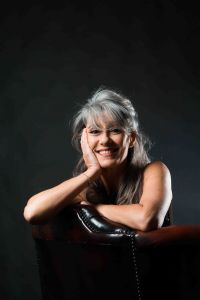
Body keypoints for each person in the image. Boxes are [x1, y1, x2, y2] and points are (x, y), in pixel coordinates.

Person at [23, 87, 172, 231]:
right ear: (84, 140)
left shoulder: (154, 171)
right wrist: (91, 172)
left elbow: (147, 219)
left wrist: (93, 209)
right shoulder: (86, 187)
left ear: (131, 138)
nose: (105, 140)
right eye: (95, 131)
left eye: (115, 130)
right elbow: (32, 212)